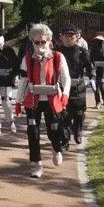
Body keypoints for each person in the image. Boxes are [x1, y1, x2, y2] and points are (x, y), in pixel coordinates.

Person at [14, 23, 70, 178]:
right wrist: (18, 101)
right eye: (36, 42)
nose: (40, 45)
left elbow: (66, 79)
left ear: (49, 41)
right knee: (33, 131)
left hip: (52, 99)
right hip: (33, 100)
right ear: (32, 42)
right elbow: (23, 82)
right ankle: (36, 164)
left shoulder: (58, 57)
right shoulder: (27, 59)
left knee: (54, 130)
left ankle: (56, 147)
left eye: (43, 42)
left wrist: (65, 94)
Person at [54, 24, 95, 145]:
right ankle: (65, 139)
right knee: (63, 115)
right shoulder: (57, 52)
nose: (68, 39)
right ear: (61, 38)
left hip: (78, 87)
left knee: (79, 113)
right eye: (65, 36)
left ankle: (77, 131)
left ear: (76, 37)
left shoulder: (83, 52)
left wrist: (92, 78)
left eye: (70, 36)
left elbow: (90, 67)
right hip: (62, 88)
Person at [0, 29, 19, 136]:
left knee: (6, 102)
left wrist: (14, 76)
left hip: (6, 79)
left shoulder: (9, 50)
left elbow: (16, 64)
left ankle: (11, 122)